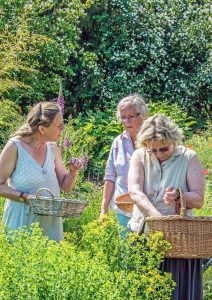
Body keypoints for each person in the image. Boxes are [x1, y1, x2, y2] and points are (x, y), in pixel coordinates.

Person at [128, 114, 205, 300]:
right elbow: (135, 192)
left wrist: (180, 195)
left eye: (163, 149)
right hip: (143, 234)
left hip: (180, 240)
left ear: (174, 141)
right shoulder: (139, 155)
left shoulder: (188, 157)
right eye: (152, 150)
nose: (158, 154)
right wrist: (157, 219)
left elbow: (199, 199)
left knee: (177, 292)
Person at [0, 102, 83, 242]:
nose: (63, 128)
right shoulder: (15, 147)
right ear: (42, 129)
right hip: (21, 226)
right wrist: (24, 197)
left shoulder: (53, 148)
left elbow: (66, 186)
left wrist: (73, 172)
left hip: (50, 228)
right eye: (59, 125)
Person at [100, 94, 149, 232]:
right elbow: (110, 177)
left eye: (131, 116)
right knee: (126, 252)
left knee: (150, 251)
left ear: (143, 114)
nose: (126, 121)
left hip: (150, 208)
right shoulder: (118, 142)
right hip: (124, 210)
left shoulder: (153, 140)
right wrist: (103, 209)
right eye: (123, 117)